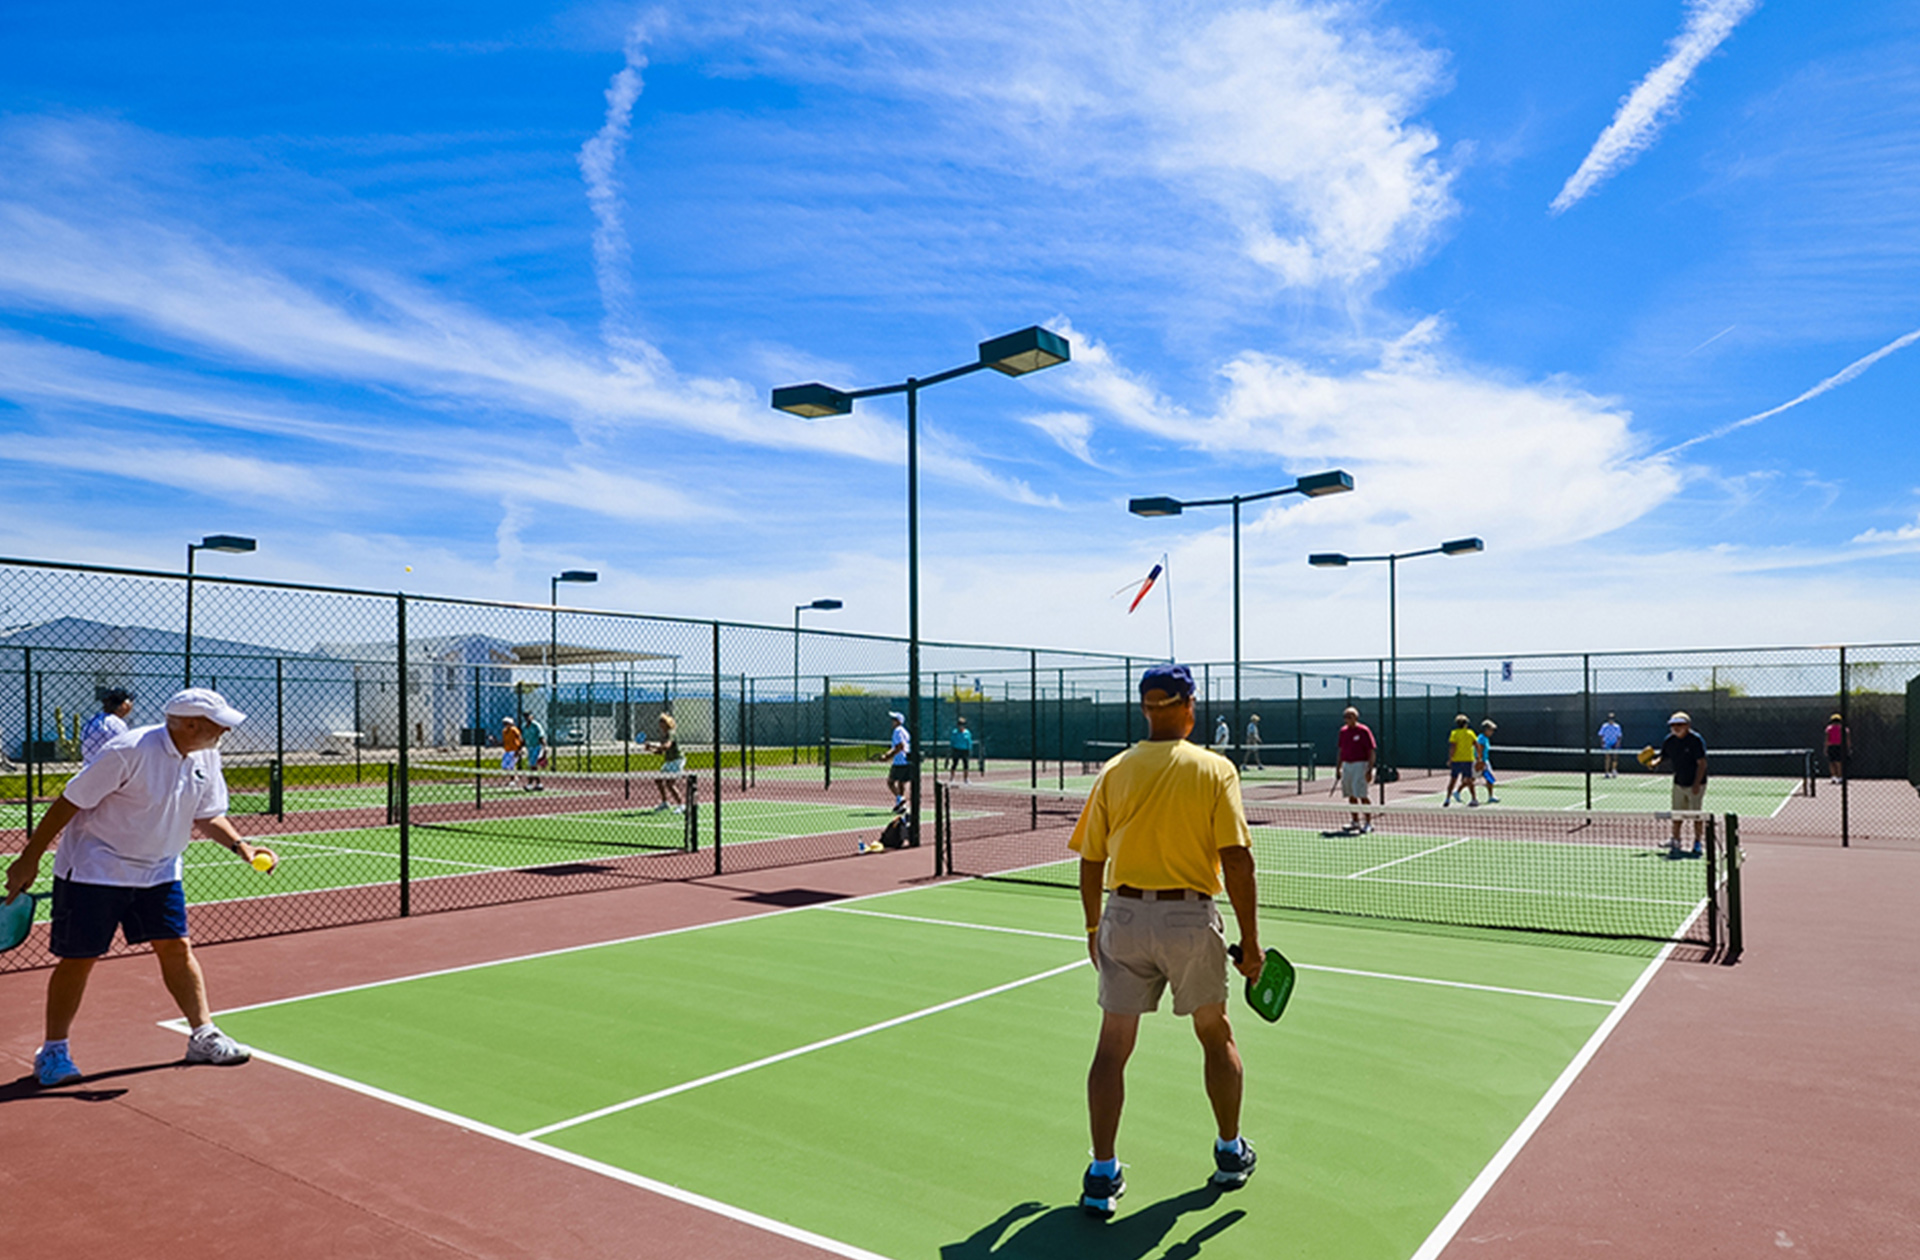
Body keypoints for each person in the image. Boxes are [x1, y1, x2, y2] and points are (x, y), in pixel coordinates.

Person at [1069, 663, 1263, 1219]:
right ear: (1189, 706)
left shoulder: (1115, 770)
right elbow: (1236, 860)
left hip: (1123, 916)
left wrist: (1093, 928)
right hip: (1188, 919)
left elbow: (1091, 859)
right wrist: (1251, 943)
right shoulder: (1215, 769)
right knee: (1215, 1034)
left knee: (1112, 1047)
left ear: (1146, 708)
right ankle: (1230, 1152)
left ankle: (1102, 1175)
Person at [4, 688, 262, 1087]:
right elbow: (69, 801)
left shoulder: (206, 755)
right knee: (79, 959)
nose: (225, 731)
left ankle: (203, 1035)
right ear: (190, 724)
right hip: (95, 870)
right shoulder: (129, 750)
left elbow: (208, 814)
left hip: (160, 871)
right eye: (218, 724)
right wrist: (29, 858)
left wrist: (241, 846)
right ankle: (53, 1051)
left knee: (177, 948)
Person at [1652, 711, 1708, 856]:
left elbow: (1702, 764)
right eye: (1673, 725)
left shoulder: (1695, 740)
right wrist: (1654, 762)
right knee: (1677, 814)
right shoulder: (1669, 741)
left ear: (1687, 726)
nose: (1676, 728)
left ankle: (1697, 842)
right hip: (1679, 782)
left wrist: (1696, 784)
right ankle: (1676, 840)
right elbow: (1663, 756)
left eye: (1679, 725)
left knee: (1696, 815)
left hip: (1696, 783)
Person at [1335, 707, 1376, 834]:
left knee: (1362, 795)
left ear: (1356, 718)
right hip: (1347, 766)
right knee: (1351, 795)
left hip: (1360, 765)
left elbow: (1371, 751)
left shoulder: (1364, 731)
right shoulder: (1343, 732)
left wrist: (1369, 769)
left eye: (1349, 716)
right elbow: (1340, 751)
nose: (1347, 719)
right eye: (1345, 717)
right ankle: (1355, 821)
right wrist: (1338, 768)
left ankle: (1368, 823)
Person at [641, 713, 685, 813]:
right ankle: (665, 802)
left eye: (662, 721)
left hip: (677, 760)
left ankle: (681, 805)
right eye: (660, 721)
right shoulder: (662, 735)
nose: (660, 723)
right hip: (669, 761)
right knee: (658, 780)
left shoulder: (671, 733)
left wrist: (652, 745)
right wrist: (650, 749)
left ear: (667, 723)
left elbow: (666, 746)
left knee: (670, 783)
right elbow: (660, 752)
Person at [80, 689, 134, 766]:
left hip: (89, 765)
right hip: (111, 766)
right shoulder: (117, 724)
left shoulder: (92, 720)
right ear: (123, 705)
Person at [1444, 715, 1480, 806]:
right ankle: (1474, 799)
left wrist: (1450, 759)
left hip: (1457, 760)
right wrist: (1479, 757)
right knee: (1469, 780)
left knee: (1453, 780)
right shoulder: (1470, 733)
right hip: (1467, 760)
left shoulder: (1454, 733)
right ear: (1466, 724)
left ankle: (1447, 799)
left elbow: (1452, 747)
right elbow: (1477, 745)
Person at [883, 711, 912, 814]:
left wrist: (888, 756)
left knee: (890, 782)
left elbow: (900, 746)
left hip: (900, 761)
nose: (893, 721)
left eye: (895, 719)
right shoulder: (904, 731)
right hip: (906, 761)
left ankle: (900, 799)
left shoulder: (897, 731)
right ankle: (901, 805)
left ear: (899, 721)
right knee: (901, 783)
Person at [1475, 719, 1499, 804]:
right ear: (1486, 730)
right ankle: (1457, 792)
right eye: (1491, 730)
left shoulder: (1485, 738)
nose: (1492, 732)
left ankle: (1491, 796)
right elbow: (1479, 750)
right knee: (1471, 779)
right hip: (1481, 761)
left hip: (1485, 761)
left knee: (1489, 779)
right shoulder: (1481, 738)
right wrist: (1480, 761)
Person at [522, 716, 547, 791]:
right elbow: (524, 739)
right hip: (529, 747)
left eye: (528, 716)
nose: (527, 718)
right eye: (526, 716)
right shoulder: (524, 727)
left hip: (537, 747)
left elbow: (541, 736)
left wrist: (544, 747)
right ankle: (539, 784)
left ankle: (530, 784)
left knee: (533, 766)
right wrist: (521, 748)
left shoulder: (536, 725)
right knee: (532, 766)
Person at [947, 716, 974, 782]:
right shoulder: (955, 733)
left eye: (962, 725)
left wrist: (969, 749)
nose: (961, 726)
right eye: (959, 725)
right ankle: (952, 778)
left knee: (966, 765)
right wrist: (951, 749)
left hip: (965, 750)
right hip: (956, 750)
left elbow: (969, 741)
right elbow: (952, 741)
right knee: (954, 764)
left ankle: (966, 779)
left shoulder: (967, 733)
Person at [500, 717, 525, 787]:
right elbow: (504, 741)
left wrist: (519, 749)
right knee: (504, 766)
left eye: (506, 723)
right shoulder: (504, 731)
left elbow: (520, 739)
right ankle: (515, 776)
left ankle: (512, 779)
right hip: (507, 750)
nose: (505, 725)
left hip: (514, 749)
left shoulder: (514, 730)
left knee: (511, 765)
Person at [1598, 712, 1623, 779]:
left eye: (1612, 718)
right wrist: (1603, 742)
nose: (1611, 720)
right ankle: (1606, 772)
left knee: (1615, 757)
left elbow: (1619, 736)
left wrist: (1618, 743)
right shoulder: (1604, 726)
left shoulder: (1617, 727)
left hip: (1614, 743)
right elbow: (1601, 735)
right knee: (1607, 758)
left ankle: (1614, 770)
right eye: (1610, 718)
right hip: (1607, 744)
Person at [1826, 713, 1845, 785]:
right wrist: (1848, 747)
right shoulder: (1843, 729)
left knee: (1831, 762)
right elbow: (1847, 739)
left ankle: (1833, 777)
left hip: (1831, 746)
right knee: (1839, 762)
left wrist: (1826, 748)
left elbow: (1827, 739)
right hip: (1840, 746)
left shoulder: (1829, 728)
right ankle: (1839, 777)